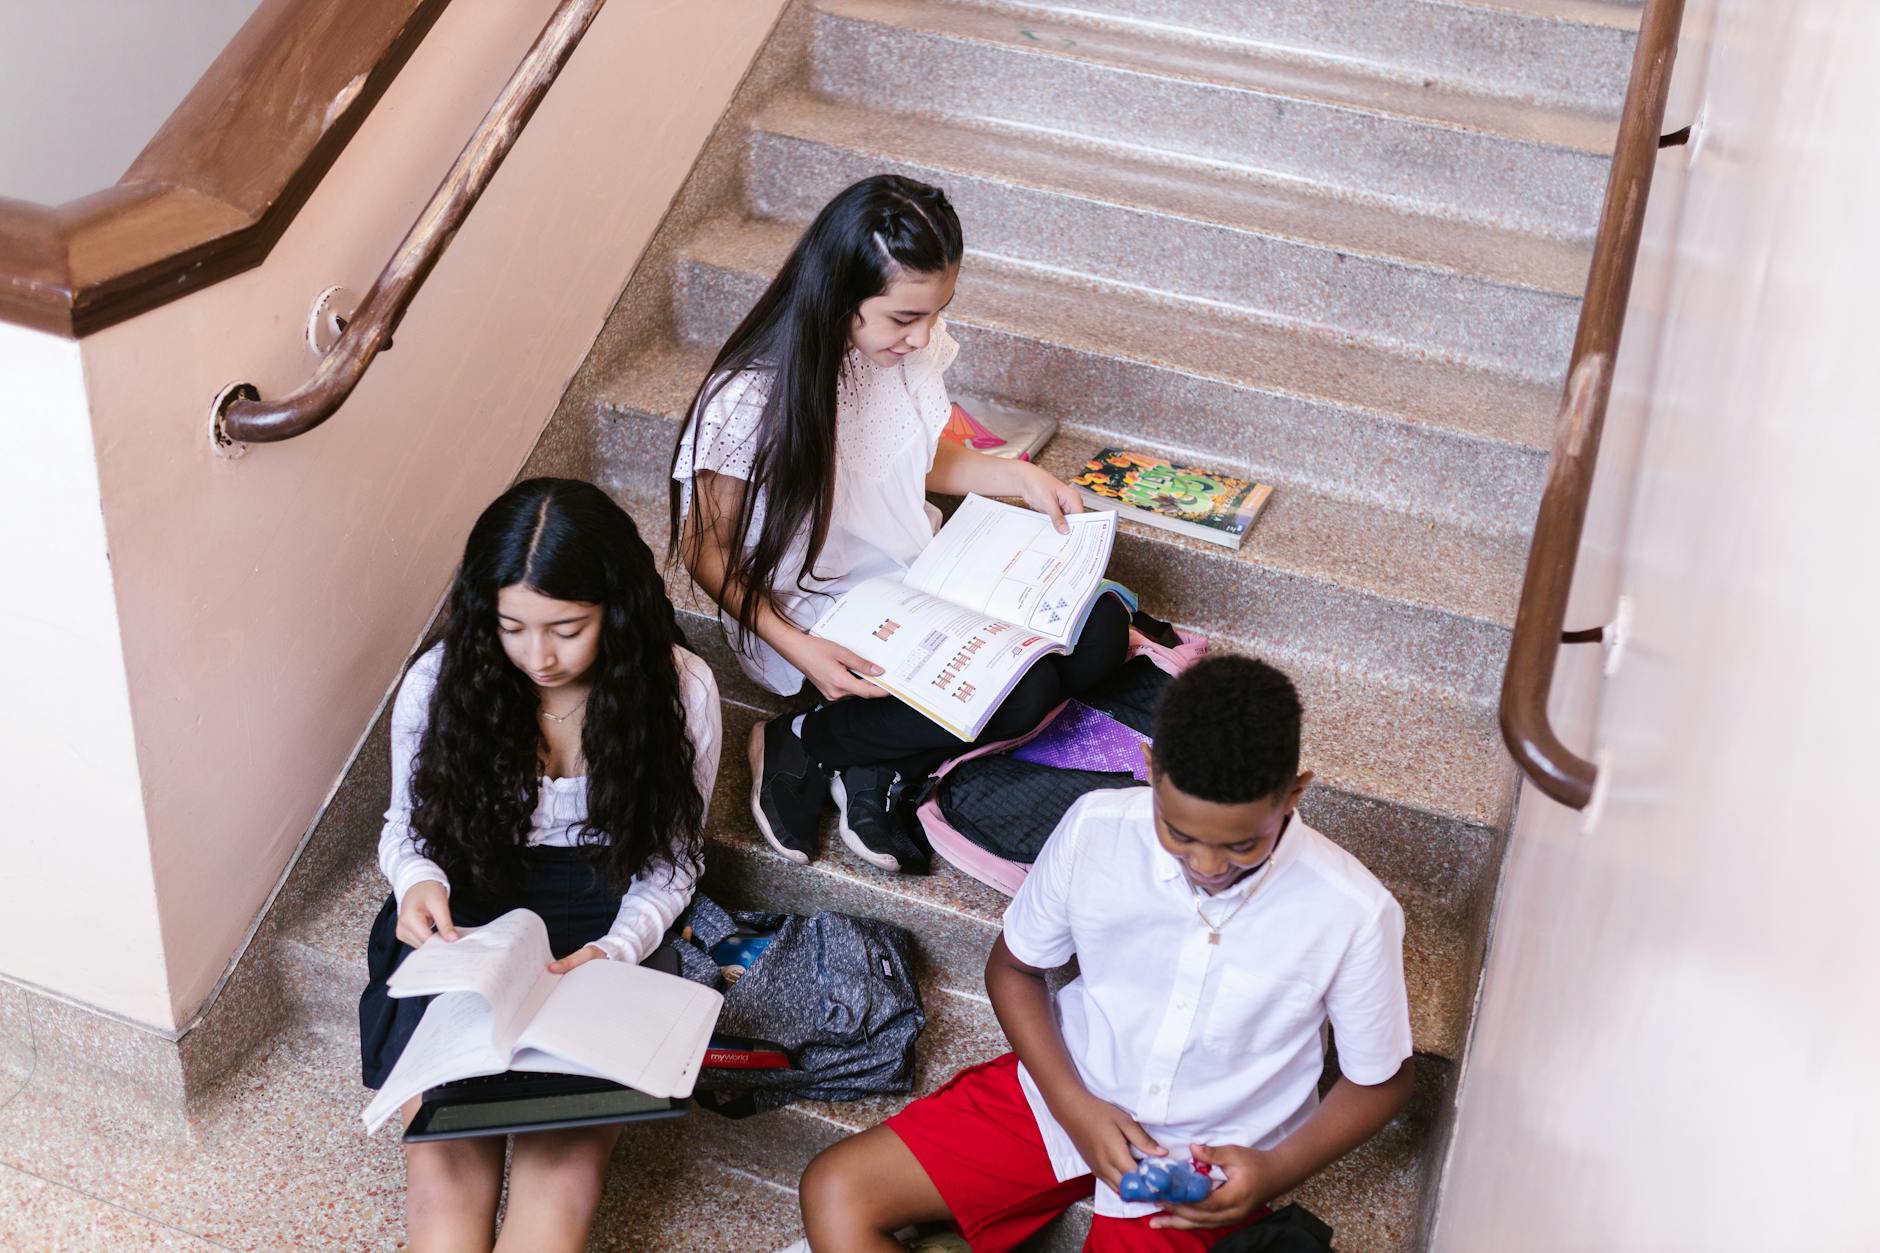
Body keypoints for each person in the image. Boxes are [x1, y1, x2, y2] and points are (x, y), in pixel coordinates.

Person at [796, 655, 1415, 1252]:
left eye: (1241, 845)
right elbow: (1013, 969)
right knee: (837, 1191)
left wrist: (1275, 1170)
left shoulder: (1353, 912)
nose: (1206, 868)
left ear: (1294, 794)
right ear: (1148, 767)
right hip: (1070, 1089)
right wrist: (1075, 1108)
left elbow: (1379, 1084)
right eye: (1180, 834)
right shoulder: (1096, 825)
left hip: (1208, 1158)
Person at [670, 173, 1128, 876]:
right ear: (838, 296)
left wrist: (1018, 477)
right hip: (818, 615)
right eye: (903, 317)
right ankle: (803, 737)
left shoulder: (904, 349)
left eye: (935, 312)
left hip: (917, 573)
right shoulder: (749, 399)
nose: (922, 336)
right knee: (1026, 690)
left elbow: (910, 453)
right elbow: (704, 550)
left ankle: (860, 756)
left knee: (1097, 632)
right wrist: (799, 649)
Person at [357, 478, 721, 1253]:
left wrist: (616, 949)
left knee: (561, 1185)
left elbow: (672, 861)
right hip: (470, 914)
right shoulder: (441, 681)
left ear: (615, 610)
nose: (538, 656)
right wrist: (419, 882)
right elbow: (404, 829)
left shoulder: (681, 688)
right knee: (444, 1177)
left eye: (567, 627)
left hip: (605, 918)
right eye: (512, 627)